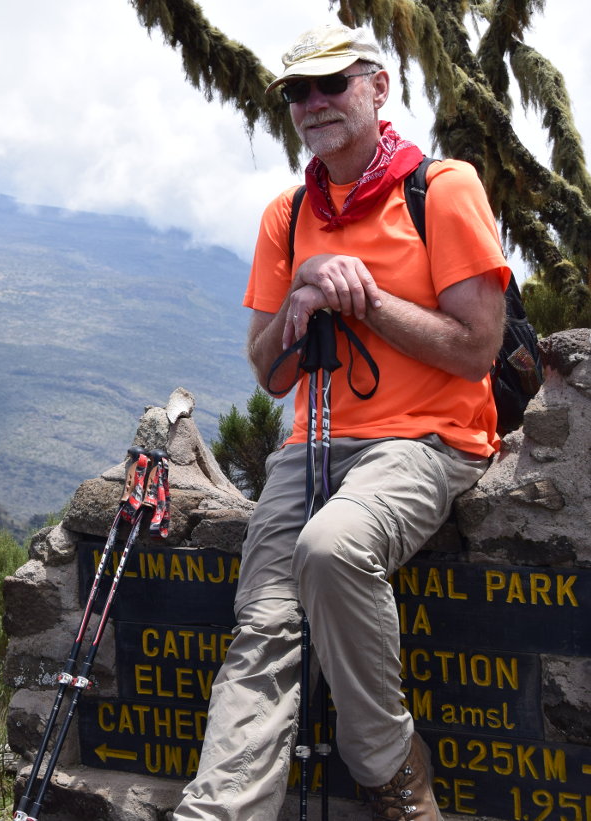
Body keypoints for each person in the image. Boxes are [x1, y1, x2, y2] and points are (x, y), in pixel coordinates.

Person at [174, 24, 509, 821]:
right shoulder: (286, 217)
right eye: (298, 91)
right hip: (311, 443)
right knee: (263, 623)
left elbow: (476, 349)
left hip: (427, 438)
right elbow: (268, 369)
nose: (314, 103)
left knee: (332, 549)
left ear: (378, 87)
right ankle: (216, 811)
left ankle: (392, 771)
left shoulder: (442, 189)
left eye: (333, 84)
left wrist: (365, 298)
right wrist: (302, 297)